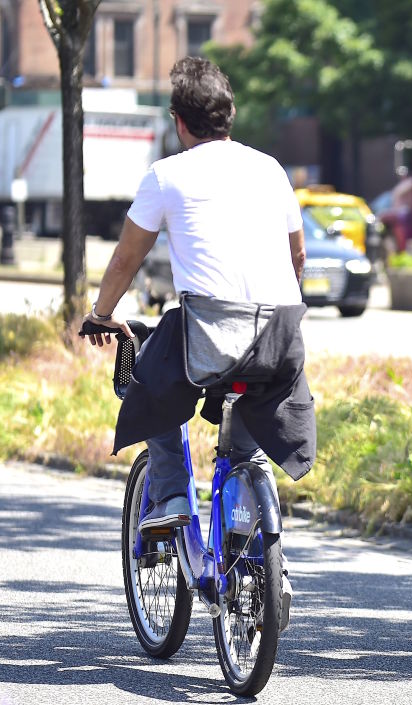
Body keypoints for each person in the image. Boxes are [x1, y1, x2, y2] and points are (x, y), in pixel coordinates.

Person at [82, 57, 315, 629]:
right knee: (249, 429)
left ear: (178, 122)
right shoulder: (272, 170)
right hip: (282, 331)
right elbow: (298, 258)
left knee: (151, 376)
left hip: (212, 334)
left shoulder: (167, 175)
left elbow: (126, 259)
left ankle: (171, 497)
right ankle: (264, 555)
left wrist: (101, 314)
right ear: (229, 116)